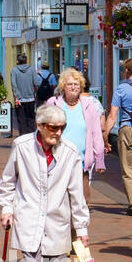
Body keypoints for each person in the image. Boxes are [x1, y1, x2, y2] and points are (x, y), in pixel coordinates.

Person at [0, 103, 90, 262]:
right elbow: (8, 182)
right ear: (40, 126)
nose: (58, 132)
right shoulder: (22, 146)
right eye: (52, 127)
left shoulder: (69, 152)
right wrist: (6, 209)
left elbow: (76, 194)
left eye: (62, 128)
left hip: (57, 223)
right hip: (28, 220)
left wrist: (81, 229)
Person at [46, 68, 105, 203]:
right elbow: (43, 130)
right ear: (63, 86)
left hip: (81, 161)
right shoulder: (53, 103)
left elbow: (96, 133)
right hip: (57, 161)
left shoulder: (89, 105)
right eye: (70, 84)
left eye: (76, 84)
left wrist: (99, 159)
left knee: (82, 202)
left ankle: (77, 225)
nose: (73, 87)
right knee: (57, 201)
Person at [102, 58, 132, 216]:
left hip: (128, 128)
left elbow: (113, 115)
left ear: (127, 71)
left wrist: (106, 134)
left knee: (128, 169)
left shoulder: (121, 88)